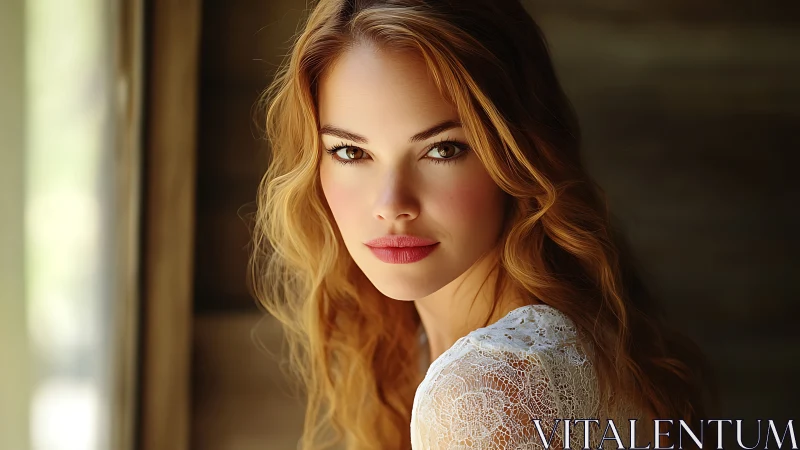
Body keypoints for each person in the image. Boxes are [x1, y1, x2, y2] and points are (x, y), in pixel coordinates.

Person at [250, 0, 718, 448]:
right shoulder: (511, 343)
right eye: (351, 152)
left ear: (516, 156)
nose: (392, 205)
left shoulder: (486, 393)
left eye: (443, 149)